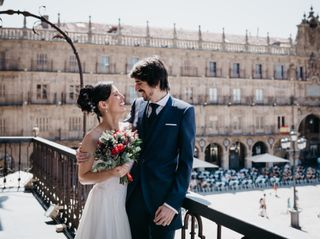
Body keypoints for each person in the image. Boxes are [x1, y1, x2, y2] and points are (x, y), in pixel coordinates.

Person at [126, 56, 196, 239]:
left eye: (139, 83)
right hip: (133, 199)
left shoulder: (184, 111)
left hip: (163, 205)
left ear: (156, 82)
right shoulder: (137, 105)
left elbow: (186, 162)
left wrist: (172, 204)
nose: (135, 88)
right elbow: (121, 132)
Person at [75, 83, 132, 239]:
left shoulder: (129, 129)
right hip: (103, 205)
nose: (123, 97)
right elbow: (83, 177)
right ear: (103, 104)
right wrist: (111, 172)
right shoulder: (92, 137)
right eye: (116, 94)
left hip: (123, 203)